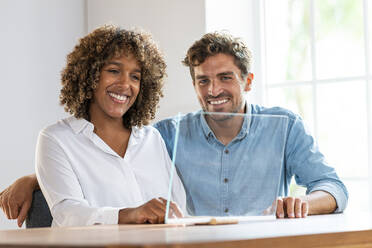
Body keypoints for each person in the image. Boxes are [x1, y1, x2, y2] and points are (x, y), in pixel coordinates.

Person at [0, 32, 347, 227]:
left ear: (248, 80)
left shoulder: (284, 126)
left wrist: (302, 204)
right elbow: (99, 154)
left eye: (225, 77)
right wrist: (34, 179)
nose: (214, 91)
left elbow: (333, 187)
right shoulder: (167, 134)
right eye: (203, 81)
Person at [0, 25, 186, 227]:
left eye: (135, 76)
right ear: (90, 75)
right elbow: (68, 213)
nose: (125, 84)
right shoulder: (56, 138)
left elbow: (178, 206)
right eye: (114, 71)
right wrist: (131, 215)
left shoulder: (152, 138)